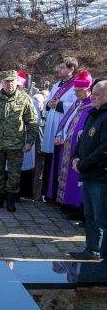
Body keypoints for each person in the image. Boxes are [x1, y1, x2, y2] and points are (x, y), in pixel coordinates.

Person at [0, 71, 37, 212]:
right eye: (7, 81)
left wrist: (29, 142)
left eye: (12, 81)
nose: (9, 84)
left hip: (16, 146)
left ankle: (11, 201)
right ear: (2, 83)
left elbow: (32, 122)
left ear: (16, 82)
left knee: (14, 175)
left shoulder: (24, 99)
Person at [70, 79, 107, 260]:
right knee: (90, 215)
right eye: (93, 93)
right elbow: (83, 139)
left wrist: (83, 164)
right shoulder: (93, 114)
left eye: (97, 95)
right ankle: (92, 249)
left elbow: (104, 149)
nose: (93, 97)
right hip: (89, 175)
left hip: (101, 176)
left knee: (102, 218)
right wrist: (76, 156)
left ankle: (104, 255)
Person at [52, 71, 94, 213]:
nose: (75, 94)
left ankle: (75, 206)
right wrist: (60, 134)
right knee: (66, 177)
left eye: (78, 91)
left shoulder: (92, 106)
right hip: (66, 146)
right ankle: (66, 203)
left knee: (75, 179)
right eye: (75, 90)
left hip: (79, 150)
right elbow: (66, 121)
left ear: (88, 89)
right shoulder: (78, 102)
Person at [42, 57, 78, 199]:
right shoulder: (57, 84)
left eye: (62, 67)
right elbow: (48, 101)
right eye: (59, 67)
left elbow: (76, 105)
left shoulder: (76, 85)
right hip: (51, 122)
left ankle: (56, 194)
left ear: (71, 69)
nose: (59, 70)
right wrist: (49, 103)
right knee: (49, 157)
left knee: (58, 158)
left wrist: (60, 104)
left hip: (62, 125)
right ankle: (47, 193)